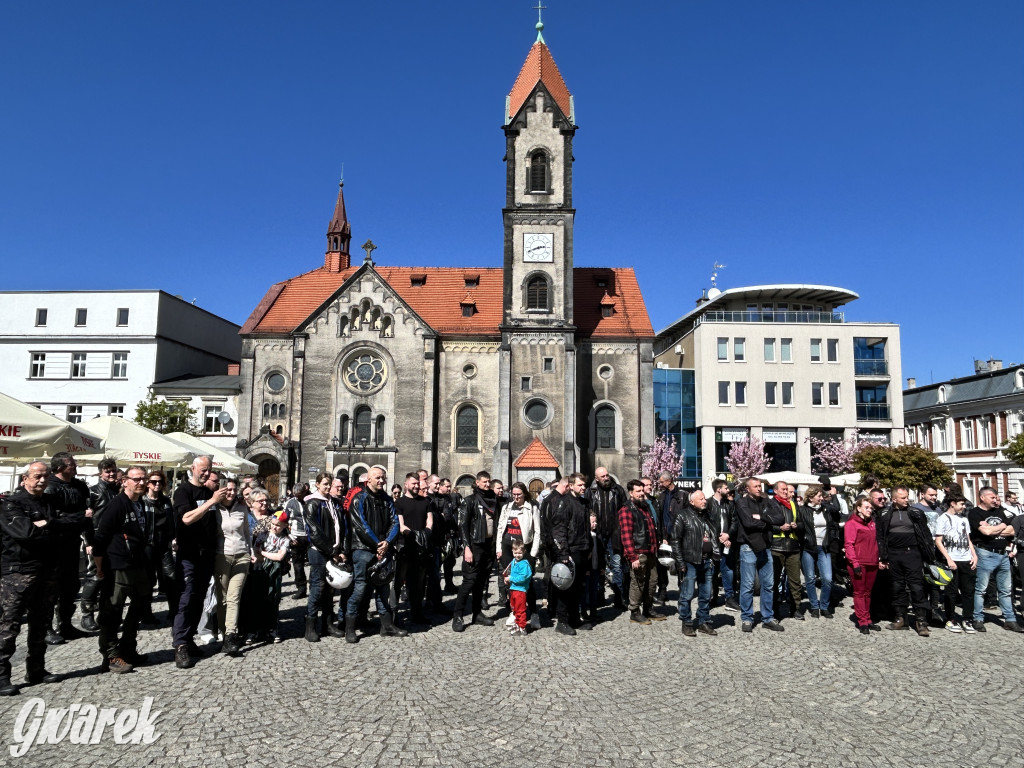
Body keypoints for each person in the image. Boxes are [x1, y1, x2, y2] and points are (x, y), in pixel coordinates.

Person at [0, 462, 84, 695]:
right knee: (9, 626)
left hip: (47, 570)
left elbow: (77, 521)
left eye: (46, 476)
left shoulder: (49, 503)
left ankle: (36, 669)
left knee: (41, 623)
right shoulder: (10, 504)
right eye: (37, 476)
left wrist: (49, 523)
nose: (42, 480)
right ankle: (1, 675)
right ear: (24, 478)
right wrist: (54, 529)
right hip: (18, 572)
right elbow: (25, 534)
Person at [92, 465, 152, 673]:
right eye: (136, 479)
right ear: (125, 480)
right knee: (112, 611)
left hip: (138, 563)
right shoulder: (117, 505)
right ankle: (111, 655)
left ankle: (128, 648)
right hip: (118, 564)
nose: (141, 483)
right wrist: (99, 566)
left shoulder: (140, 504)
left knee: (140, 605)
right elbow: (100, 537)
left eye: (144, 479)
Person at [171, 456, 228, 669]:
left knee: (199, 599)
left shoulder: (207, 492)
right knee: (186, 599)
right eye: (203, 470)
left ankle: (189, 639)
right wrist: (212, 501)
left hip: (207, 555)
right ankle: (180, 645)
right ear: (193, 469)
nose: (206, 473)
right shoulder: (183, 491)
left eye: (209, 470)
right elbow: (186, 518)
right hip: (189, 555)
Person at [348, 466, 405, 640]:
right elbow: (361, 525)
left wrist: (387, 542)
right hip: (363, 549)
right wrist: (377, 544)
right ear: (369, 479)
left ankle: (386, 626)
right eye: (377, 477)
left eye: (383, 477)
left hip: (383, 548)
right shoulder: (359, 499)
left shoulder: (387, 500)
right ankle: (350, 627)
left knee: (383, 589)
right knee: (360, 589)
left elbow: (395, 523)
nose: (381, 480)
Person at [43, 452, 92, 643]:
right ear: (60, 467)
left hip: (73, 542)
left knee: (71, 586)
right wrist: (80, 516)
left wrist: (90, 540)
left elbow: (88, 515)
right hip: (54, 544)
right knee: (52, 588)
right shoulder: (49, 487)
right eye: (71, 464)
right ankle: (46, 628)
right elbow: (52, 517)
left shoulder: (79, 486)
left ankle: (65, 624)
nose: (76, 465)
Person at [876, 486, 934, 637]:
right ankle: (901, 619)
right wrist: (883, 557)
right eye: (903, 497)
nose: (906, 500)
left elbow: (925, 534)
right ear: (894, 499)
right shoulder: (884, 514)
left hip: (912, 553)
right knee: (897, 587)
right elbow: (881, 537)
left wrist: (928, 554)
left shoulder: (916, 513)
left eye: (907, 497)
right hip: (894, 555)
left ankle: (921, 621)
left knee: (917, 587)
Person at [968, 486, 1022, 632]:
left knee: (1005, 590)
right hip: (985, 553)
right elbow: (985, 532)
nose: (995, 500)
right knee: (981, 589)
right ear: (982, 497)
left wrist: (997, 528)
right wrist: (1001, 527)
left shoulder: (999, 511)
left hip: (1003, 554)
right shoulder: (975, 513)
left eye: (996, 497)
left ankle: (1010, 619)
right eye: (992, 497)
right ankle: (978, 618)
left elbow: (1012, 530)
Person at [735, 477, 785, 632]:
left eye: (759, 486)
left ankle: (768, 617)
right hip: (748, 547)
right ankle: (747, 618)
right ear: (748, 489)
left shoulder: (767, 501)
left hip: (766, 547)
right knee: (748, 585)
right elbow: (749, 523)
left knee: (768, 584)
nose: (758, 488)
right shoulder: (742, 503)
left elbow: (780, 518)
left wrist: (762, 517)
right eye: (755, 486)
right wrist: (768, 523)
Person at [452, 471, 498, 632]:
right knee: (469, 581)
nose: (487, 484)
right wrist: (467, 548)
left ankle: (477, 613)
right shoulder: (469, 501)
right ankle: (458, 616)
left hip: (488, 546)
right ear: (477, 483)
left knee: (481, 582)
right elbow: (462, 526)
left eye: (488, 482)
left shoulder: (493, 500)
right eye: (484, 482)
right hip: (474, 545)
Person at [546, 474, 592, 635]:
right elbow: (558, 530)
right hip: (569, 551)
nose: (583, 487)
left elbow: (586, 529)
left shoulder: (584, 503)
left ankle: (574, 618)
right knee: (565, 588)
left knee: (578, 587)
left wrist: (589, 549)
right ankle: (562, 621)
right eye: (580, 485)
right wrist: (563, 553)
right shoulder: (564, 503)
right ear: (571, 486)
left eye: (584, 485)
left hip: (582, 550)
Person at [79, 458, 120, 633]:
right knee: (95, 576)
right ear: (100, 473)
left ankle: (104, 614)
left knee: (109, 578)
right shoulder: (93, 492)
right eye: (107, 471)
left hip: (114, 539)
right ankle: (86, 615)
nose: (110, 474)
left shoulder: (117, 490)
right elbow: (86, 518)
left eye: (112, 470)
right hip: (97, 538)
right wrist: (88, 542)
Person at [303, 473, 346, 642]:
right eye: (325, 484)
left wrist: (340, 549)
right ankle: (310, 626)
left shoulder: (334, 503)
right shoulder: (313, 503)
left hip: (333, 551)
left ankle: (327, 624)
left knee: (330, 589)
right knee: (317, 587)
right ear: (318, 485)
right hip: (319, 552)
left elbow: (341, 528)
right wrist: (332, 551)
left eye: (330, 484)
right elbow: (314, 532)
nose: (328, 487)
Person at [670, 489, 718, 636]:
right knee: (687, 593)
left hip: (706, 560)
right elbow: (675, 540)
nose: (704, 501)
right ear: (692, 501)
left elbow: (713, 536)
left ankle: (704, 620)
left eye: (704, 498)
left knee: (705, 594)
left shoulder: (707, 516)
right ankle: (687, 622)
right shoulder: (683, 516)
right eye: (701, 499)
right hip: (689, 561)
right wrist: (680, 562)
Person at [496, 482, 542, 630]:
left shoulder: (532, 507)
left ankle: (534, 613)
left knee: (527, 582)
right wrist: (499, 548)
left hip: (525, 549)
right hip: (508, 548)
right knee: (511, 583)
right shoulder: (506, 507)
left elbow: (537, 532)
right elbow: (500, 528)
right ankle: (514, 612)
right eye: (514, 494)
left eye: (519, 494)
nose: (516, 497)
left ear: (524, 494)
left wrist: (534, 553)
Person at [618, 479, 663, 626]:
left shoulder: (645, 507)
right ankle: (635, 611)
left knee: (652, 581)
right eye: (638, 491)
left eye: (642, 491)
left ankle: (648, 609)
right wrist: (632, 556)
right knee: (637, 583)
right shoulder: (626, 510)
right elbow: (626, 536)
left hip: (650, 551)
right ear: (631, 493)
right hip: (638, 552)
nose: (641, 494)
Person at [213, 478, 250, 656]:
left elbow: (246, 532)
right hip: (222, 556)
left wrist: (249, 552)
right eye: (228, 489)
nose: (231, 493)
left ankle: (230, 635)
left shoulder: (242, 507)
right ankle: (222, 631)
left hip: (242, 556)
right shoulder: (214, 509)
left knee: (234, 597)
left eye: (234, 489)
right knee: (222, 599)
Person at [586, 468, 628, 611]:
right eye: (602, 476)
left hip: (615, 534)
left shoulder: (618, 490)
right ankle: (599, 595)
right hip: (597, 534)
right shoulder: (590, 492)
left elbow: (624, 510)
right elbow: (587, 511)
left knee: (617, 565)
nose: (606, 478)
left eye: (607, 475)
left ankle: (619, 596)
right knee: (598, 566)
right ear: (596, 479)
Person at [934, 494, 977, 633]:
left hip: (966, 559)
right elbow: (938, 541)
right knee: (951, 592)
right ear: (952, 503)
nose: (964, 507)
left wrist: (974, 555)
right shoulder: (943, 519)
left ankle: (967, 619)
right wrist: (948, 558)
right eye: (961, 504)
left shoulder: (964, 519)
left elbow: (968, 539)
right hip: (952, 559)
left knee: (968, 591)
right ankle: (950, 619)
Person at [796, 484, 840, 619]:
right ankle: (814, 606)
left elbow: (836, 511)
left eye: (822, 496)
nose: (821, 498)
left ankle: (824, 606)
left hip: (824, 547)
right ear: (811, 497)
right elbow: (799, 525)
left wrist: (832, 496)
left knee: (827, 578)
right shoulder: (802, 510)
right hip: (809, 547)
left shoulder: (826, 509)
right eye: (819, 496)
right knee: (810, 578)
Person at [395, 473, 433, 625]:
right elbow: (400, 524)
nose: (416, 486)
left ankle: (417, 613)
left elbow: (430, 521)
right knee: (399, 582)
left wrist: (426, 533)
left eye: (418, 483)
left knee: (419, 583)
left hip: (421, 548)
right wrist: (412, 534)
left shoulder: (425, 502)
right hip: (405, 546)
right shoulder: (399, 502)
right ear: (406, 484)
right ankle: (393, 615)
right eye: (413, 484)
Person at [140, 470, 176, 628]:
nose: (157, 484)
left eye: (160, 482)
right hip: (147, 546)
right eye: (153, 481)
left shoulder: (166, 501)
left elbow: (172, 522)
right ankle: (146, 614)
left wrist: (174, 537)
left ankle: (174, 612)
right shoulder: (142, 501)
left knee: (171, 578)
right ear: (147, 483)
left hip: (164, 546)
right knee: (147, 581)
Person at [844, 496, 881, 635]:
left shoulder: (872, 523)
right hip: (859, 563)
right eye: (866, 507)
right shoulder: (851, 523)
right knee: (859, 592)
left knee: (868, 593)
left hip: (872, 562)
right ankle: (862, 620)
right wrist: (854, 563)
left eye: (871, 508)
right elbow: (849, 544)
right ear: (859, 508)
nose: (869, 510)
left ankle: (867, 618)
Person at [768, 481, 803, 620]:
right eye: (783, 489)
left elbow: (801, 523)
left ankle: (796, 609)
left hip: (793, 546)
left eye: (786, 490)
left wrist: (796, 526)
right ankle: (775, 610)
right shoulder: (770, 504)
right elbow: (766, 524)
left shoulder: (794, 505)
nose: (786, 492)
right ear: (775, 491)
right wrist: (779, 528)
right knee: (774, 581)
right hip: (776, 546)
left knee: (795, 581)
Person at [912, 483, 946, 625]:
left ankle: (934, 610)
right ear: (923, 494)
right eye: (931, 495)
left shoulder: (937, 509)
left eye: (935, 495)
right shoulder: (915, 509)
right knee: (923, 582)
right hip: (921, 550)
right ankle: (923, 612)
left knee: (935, 582)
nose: (934, 497)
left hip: (936, 550)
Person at [255, 510, 290, 643]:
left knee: (273, 598)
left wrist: (263, 553)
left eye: (279, 525)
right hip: (260, 570)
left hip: (274, 572)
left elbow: (280, 556)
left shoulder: (284, 539)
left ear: (285, 526)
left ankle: (272, 628)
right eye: (273, 524)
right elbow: (255, 554)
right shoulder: (262, 535)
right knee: (259, 599)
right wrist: (266, 556)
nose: (275, 527)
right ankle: (258, 629)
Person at [707, 479, 738, 612]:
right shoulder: (708, 503)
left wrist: (728, 535)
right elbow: (705, 523)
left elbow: (734, 522)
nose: (728, 490)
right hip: (712, 544)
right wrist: (717, 538)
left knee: (728, 570)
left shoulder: (730, 504)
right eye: (726, 488)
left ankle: (729, 598)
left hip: (727, 543)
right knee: (712, 571)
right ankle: (712, 597)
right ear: (719, 489)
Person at [284, 483, 308, 600]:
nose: (298, 497)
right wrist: (289, 536)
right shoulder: (290, 503)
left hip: (311, 536)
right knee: (298, 564)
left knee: (315, 564)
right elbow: (283, 520)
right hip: (296, 536)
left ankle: (316, 589)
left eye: (300, 495)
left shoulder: (311, 500)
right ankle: (301, 588)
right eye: (296, 495)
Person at [504, 538, 532, 636]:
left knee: (520, 609)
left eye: (519, 553)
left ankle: (522, 627)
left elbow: (522, 577)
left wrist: (511, 578)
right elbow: (509, 572)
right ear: (512, 551)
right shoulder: (513, 561)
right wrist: (507, 579)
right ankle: (517, 624)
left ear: (524, 552)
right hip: (513, 589)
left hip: (520, 590)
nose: (517, 555)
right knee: (514, 608)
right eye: (515, 553)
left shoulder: (524, 564)